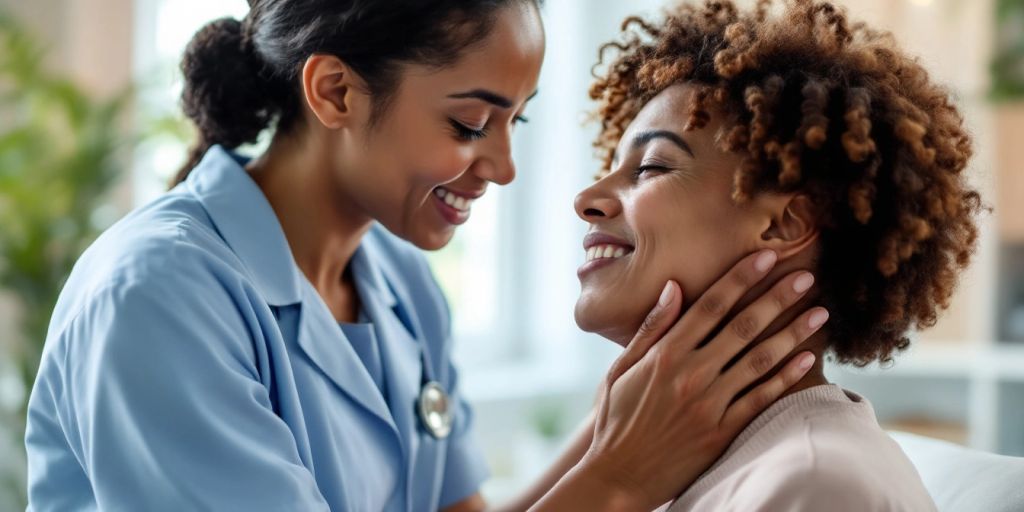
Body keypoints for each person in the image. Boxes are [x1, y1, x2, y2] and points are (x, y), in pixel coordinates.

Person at [25, 1, 822, 511]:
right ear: (335, 92)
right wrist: (616, 477)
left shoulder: (399, 284)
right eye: (471, 124)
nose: (503, 166)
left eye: (519, 124)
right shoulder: (158, 298)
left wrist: (631, 405)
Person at [576, 0, 983, 510]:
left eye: (652, 166)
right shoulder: (681, 462)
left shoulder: (816, 486)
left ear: (784, 223)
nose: (585, 199)